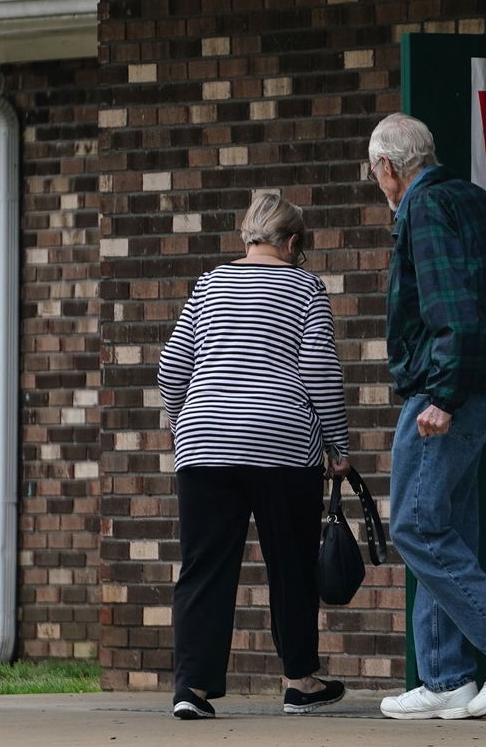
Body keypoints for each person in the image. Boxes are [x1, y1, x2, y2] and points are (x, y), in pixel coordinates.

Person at [367, 113, 486, 719]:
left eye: (374, 172)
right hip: (473, 390)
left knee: (418, 529)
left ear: (388, 168)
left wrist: (443, 395)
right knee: (446, 530)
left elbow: (450, 307)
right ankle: (446, 678)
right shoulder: (468, 198)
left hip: (443, 394)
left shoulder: (423, 210)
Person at [157, 191, 351, 719]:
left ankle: (191, 691)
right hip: (284, 447)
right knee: (291, 565)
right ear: (292, 243)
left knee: (203, 568)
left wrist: (179, 417)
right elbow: (319, 371)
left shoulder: (210, 283)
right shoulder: (306, 287)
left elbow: (173, 366)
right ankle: (299, 682)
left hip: (204, 444)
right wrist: (338, 446)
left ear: (248, 237)